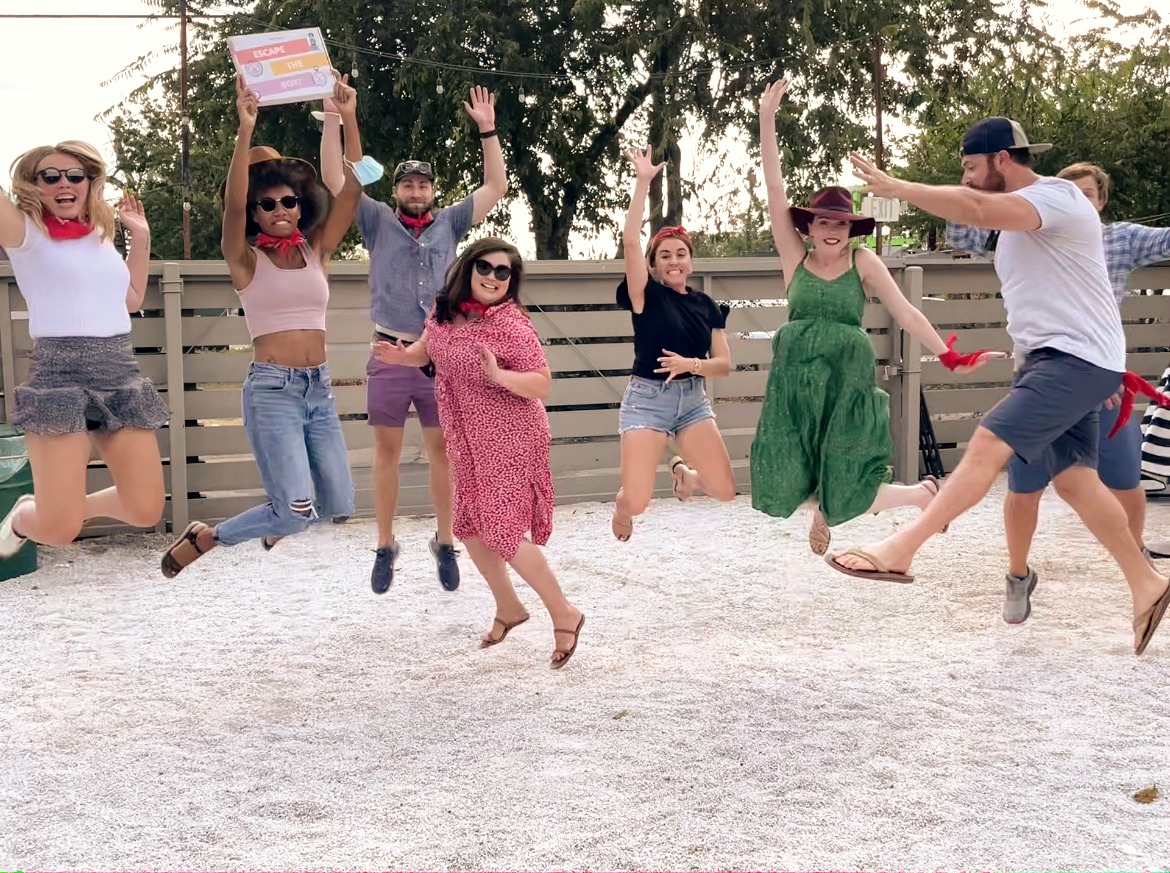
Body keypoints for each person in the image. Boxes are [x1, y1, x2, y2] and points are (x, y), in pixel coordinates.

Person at [831, 117, 1170, 656]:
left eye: (971, 167)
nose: (966, 178)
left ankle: (902, 548)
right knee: (1076, 482)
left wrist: (897, 188)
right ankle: (1147, 583)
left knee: (988, 443)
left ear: (1003, 160)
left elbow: (976, 207)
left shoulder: (1058, 196)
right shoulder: (1017, 229)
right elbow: (1010, 259)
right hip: (1059, 364)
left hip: (1073, 362)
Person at [751, 80, 997, 556]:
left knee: (848, 476)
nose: (833, 230)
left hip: (846, 383)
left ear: (851, 229)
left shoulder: (862, 262)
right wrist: (767, 120)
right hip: (796, 385)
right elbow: (774, 188)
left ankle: (902, 497)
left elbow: (906, 312)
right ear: (809, 227)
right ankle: (867, 503)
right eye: (824, 222)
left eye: (841, 224)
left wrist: (949, 356)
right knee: (783, 472)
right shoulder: (794, 258)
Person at [947, 160, 1170, 621]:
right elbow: (964, 234)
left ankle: (1139, 569)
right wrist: (972, 177)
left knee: (1126, 480)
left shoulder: (1119, 239)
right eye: (1067, 192)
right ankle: (1017, 575)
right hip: (1047, 376)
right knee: (1025, 485)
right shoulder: (1026, 230)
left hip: (1099, 378)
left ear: (1100, 202)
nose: (1075, 200)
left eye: (1086, 194)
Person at [159, 74, 361, 577]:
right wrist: (245, 128)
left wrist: (346, 118)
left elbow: (354, 192)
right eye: (266, 204)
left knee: (340, 503)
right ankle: (209, 536)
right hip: (273, 391)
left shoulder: (316, 251)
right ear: (255, 212)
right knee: (295, 511)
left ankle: (282, 514)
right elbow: (231, 205)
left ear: (300, 205)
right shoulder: (245, 260)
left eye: (288, 201)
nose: (279, 210)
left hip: (319, 389)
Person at [372, 238, 585, 668]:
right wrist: (403, 357)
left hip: (511, 435)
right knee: (468, 526)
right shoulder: (444, 312)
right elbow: (428, 350)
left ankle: (565, 613)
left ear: (511, 280)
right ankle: (509, 607)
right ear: (469, 268)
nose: (492, 277)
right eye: (485, 267)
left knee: (503, 531)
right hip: (466, 436)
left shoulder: (512, 325)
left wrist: (500, 375)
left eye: (502, 272)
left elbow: (542, 383)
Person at [329, 84, 507, 595]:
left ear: (432, 191)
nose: (415, 190)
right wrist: (339, 118)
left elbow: (496, 186)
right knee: (385, 452)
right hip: (389, 350)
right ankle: (385, 544)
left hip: (439, 354)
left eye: (422, 184)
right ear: (397, 191)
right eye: (407, 183)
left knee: (442, 452)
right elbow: (341, 177)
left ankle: (445, 541)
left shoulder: (449, 222)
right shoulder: (376, 219)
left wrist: (487, 129)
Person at [0, 141, 169, 557]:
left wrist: (141, 237)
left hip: (119, 374)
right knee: (59, 530)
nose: (64, 183)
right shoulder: (26, 234)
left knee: (145, 508)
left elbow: (131, 300)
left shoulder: (99, 236)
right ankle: (24, 517)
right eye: (51, 176)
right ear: (33, 184)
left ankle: (69, 509)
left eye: (75, 176)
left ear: (90, 183)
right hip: (59, 378)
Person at [609, 145, 736, 542]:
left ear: (690, 261)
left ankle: (685, 474)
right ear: (654, 265)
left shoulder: (706, 305)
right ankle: (622, 507)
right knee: (638, 502)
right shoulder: (646, 296)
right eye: (664, 256)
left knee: (724, 491)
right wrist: (643, 182)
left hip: (693, 401)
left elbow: (724, 364)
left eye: (681, 254)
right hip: (648, 400)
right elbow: (631, 241)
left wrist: (690, 364)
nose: (674, 260)